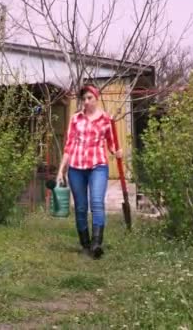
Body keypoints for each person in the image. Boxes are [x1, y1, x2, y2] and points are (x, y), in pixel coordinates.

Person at [56, 84, 122, 259]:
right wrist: (61, 170)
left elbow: (112, 143)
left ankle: (96, 244)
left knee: (97, 202)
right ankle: (85, 244)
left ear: (96, 98)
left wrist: (117, 152)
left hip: (98, 166)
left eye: (89, 98)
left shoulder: (107, 121)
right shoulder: (75, 119)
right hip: (76, 168)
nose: (86, 102)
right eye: (83, 99)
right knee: (80, 207)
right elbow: (68, 146)